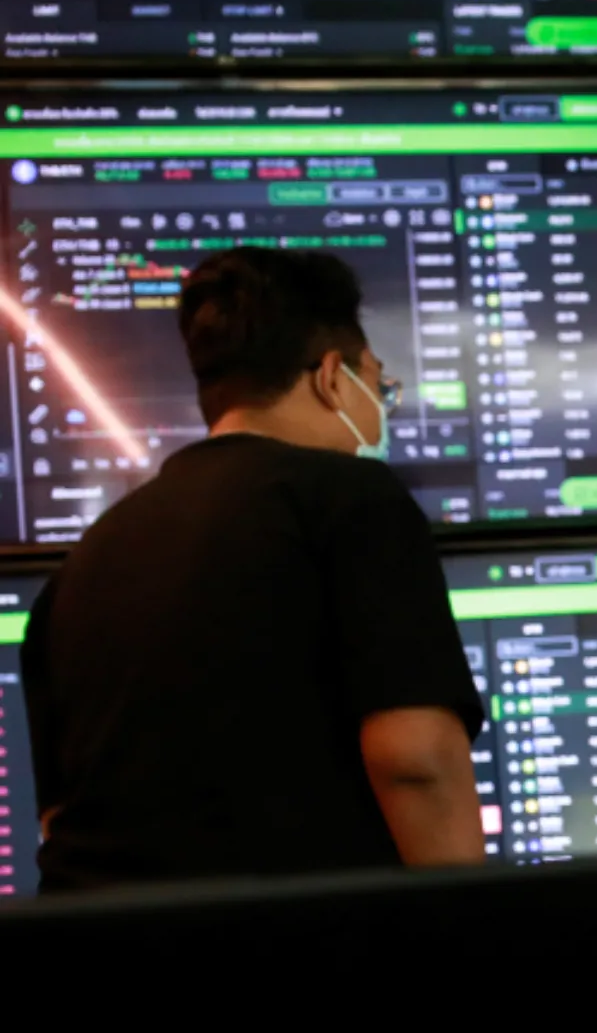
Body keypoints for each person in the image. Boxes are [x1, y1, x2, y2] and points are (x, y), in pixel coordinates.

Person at [25, 247, 486, 891]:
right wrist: (481, 941)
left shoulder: (85, 559)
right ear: (332, 377)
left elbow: (57, 818)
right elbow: (414, 759)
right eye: (379, 388)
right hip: (293, 948)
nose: (381, 412)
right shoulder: (352, 497)